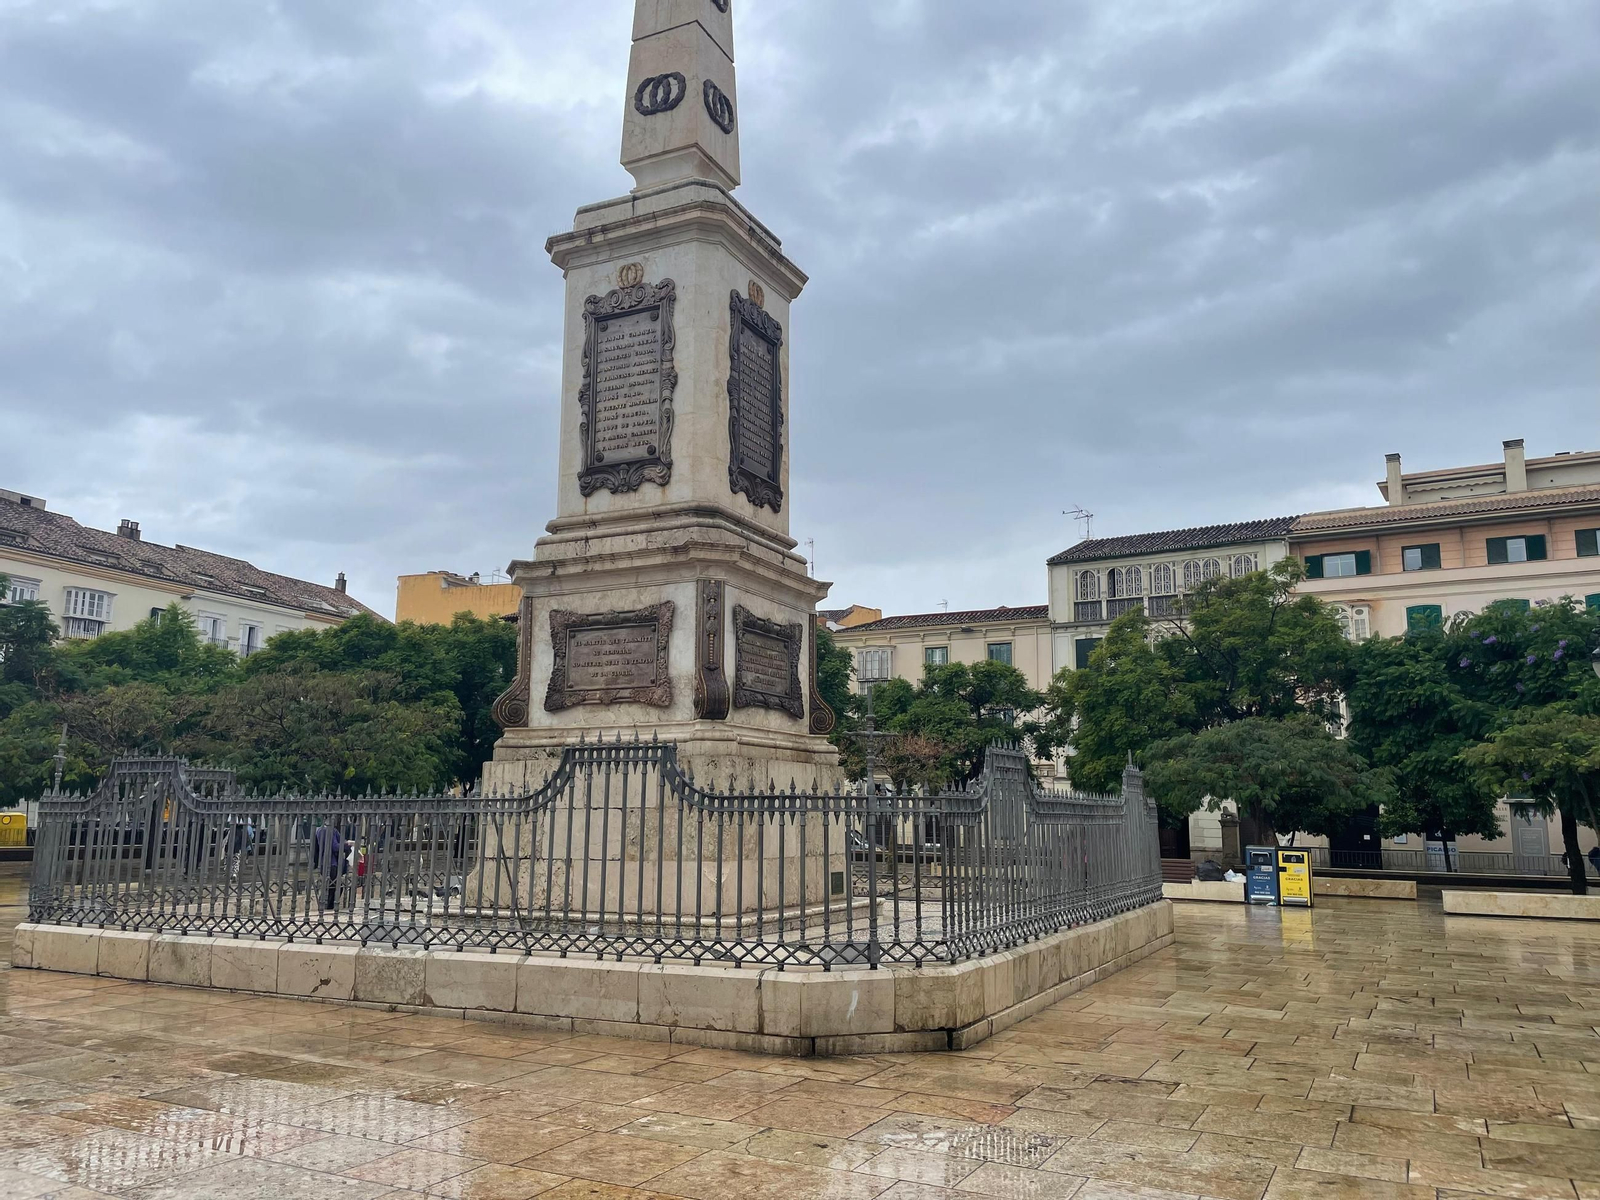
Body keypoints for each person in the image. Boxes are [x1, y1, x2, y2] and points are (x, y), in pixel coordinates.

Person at [312, 821, 345, 911]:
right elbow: (335, 847)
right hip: (332, 862)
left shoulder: (319, 830)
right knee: (335, 886)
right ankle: (328, 907)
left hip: (322, 862)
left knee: (328, 885)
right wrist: (347, 844)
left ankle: (324, 905)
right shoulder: (331, 831)